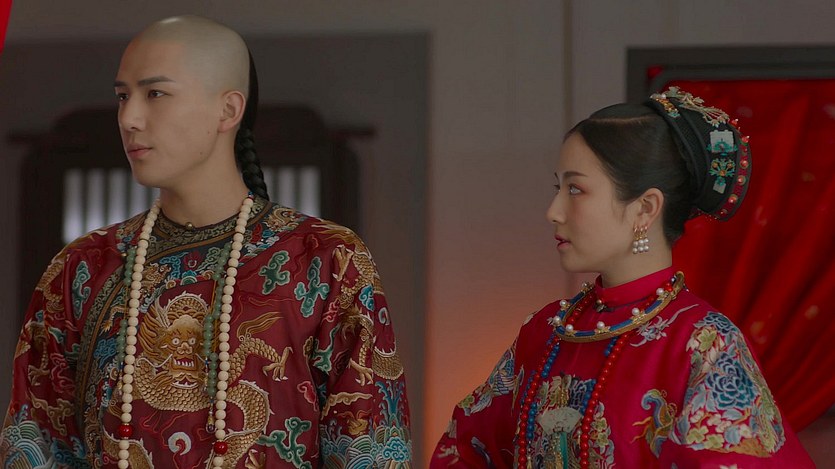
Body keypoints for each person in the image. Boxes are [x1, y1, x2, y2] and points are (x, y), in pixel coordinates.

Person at [0, 15, 411, 468]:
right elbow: (36, 445)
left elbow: (368, 444)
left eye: (155, 94)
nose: (129, 118)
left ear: (228, 110)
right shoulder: (83, 267)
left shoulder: (325, 259)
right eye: (122, 96)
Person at [431, 87, 814, 468]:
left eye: (575, 189)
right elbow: (464, 451)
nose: (553, 211)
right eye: (558, 187)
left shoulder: (705, 344)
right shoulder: (544, 332)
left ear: (645, 208)